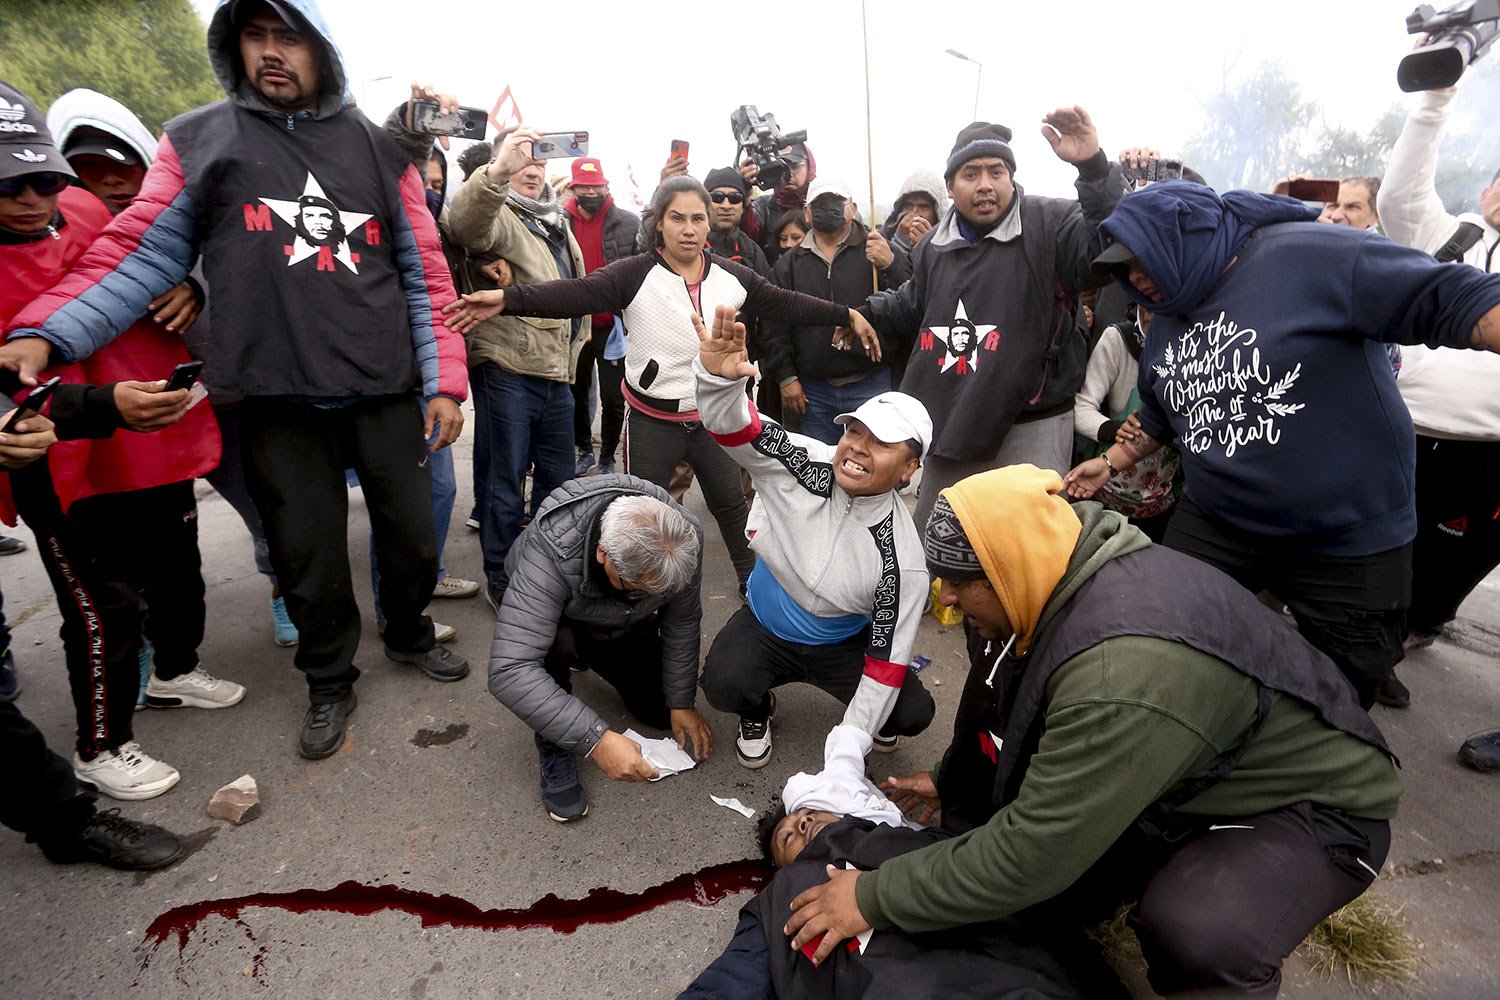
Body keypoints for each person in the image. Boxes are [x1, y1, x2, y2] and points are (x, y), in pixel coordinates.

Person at [0, 1, 472, 762]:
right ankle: (328, 679)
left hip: (384, 389)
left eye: (288, 35)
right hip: (274, 396)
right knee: (307, 559)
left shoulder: (382, 151)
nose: (271, 52)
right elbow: (139, 254)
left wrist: (444, 382)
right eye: (256, 36)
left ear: (321, 48)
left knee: (415, 539)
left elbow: (425, 275)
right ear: (234, 46)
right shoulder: (197, 139)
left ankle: (411, 634)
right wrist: (43, 333)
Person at [784, 466, 1403, 997]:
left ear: (1008, 570)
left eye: (959, 582)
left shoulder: (1121, 672)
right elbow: (1001, 700)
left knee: (1193, 927)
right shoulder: (1049, 572)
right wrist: (953, 780)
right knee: (1042, 904)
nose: (944, 597)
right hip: (1190, 771)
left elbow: (1030, 857)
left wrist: (873, 897)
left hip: (1307, 809)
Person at [1065, 180, 1500, 712]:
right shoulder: (1167, 311)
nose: (1134, 279)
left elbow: (1452, 297)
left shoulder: (1311, 255)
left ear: (1185, 239)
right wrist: (1109, 462)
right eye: (1123, 271)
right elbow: (1164, 410)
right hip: (1216, 522)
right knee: (1163, 637)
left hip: (1344, 538)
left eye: (1141, 262)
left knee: (1343, 689)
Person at [444, 176, 884, 596]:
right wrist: (507, 299)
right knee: (641, 515)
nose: (688, 229)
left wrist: (845, 314)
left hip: (714, 421)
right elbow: (572, 293)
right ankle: (641, 595)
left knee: (732, 508)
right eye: (678, 218)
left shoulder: (733, 276)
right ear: (659, 222)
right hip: (652, 422)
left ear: (709, 223)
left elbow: (786, 302)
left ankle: (753, 588)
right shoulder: (633, 274)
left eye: (697, 218)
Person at [0, 80, 233, 799]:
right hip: (52, 455)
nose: (37, 198)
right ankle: (102, 745)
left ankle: (173, 671)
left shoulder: (80, 210)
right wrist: (104, 403)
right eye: (12, 186)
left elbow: (152, 248)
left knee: (176, 563)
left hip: (142, 433)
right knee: (103, 608)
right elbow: (12, 389)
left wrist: (193, 282)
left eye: (46, 177)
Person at [48, 85, 298, 649]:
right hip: (115, 417)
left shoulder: (198, 207)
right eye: (89, 168)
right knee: (129, 551)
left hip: (224, 399)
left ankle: (285, 594)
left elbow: (240, 259)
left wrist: (194, 286)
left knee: (269, 510)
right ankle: (137, 658)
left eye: (123, 164)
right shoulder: (54, 233)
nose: (112, 180)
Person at [853, 110, 1126, 533]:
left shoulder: (1050, 224)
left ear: (1011, 177)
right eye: (971, 173)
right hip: (954, 416)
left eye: (996, 171)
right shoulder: (933, 245)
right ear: (950, 185)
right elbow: (916, 304)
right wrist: (865, 312)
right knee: (937, 536)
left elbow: (1105, 246)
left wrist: (1092, 168)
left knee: (1025, 547)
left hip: (1032, 422)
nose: (985, 184)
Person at [693, 305, 935, 767]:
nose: (858, 446)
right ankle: (758, 708)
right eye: (855, 430)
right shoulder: (805, 460)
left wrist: (847, 753)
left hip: (843, 646)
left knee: (910, 711)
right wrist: (721, 383)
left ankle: (867, 724)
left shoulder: (904, 561)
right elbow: (739, 430)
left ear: (909, 470)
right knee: (723, 684)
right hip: (765, 625)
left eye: (882, 443)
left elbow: (885, 666)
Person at [0, 400, 185, 870]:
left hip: (84, 445)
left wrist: (109, 403)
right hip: (58, 472)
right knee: (101, 611)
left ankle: (61, 817)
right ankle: (98, 750)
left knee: (132, 595)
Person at [487, 475, 709, 822]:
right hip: (556, 613)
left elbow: (682, 621)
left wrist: (681, 700)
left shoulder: (682, 539)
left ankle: (593, 651)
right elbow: (510, 669)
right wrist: (596, 740)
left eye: (657, 593)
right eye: (637, 588)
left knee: (658, 709)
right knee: (553, 648)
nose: (649, 597)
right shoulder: (552, 549)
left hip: (620, 618)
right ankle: (555, 747)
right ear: (602, 551)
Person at [447, 126, 586, 609]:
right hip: (508, 368)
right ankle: (500, 576)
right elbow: (463, 225)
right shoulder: (497, 208)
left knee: (558, 485)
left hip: (556, 372)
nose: (532, 168)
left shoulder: (555, 218)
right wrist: (498, 171)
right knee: (504, 483)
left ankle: (543, 571)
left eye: (541, 160)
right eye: (521, 158)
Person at [762, 176, 911, 445]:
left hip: (872, 380)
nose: (827, 208)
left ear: (852, 209)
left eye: (836, 202)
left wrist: (891, 264)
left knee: (876, 464)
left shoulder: (877, 248)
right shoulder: (787, 266)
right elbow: (774, 328)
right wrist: (786, 377)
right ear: (807, 212)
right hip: (813, 389)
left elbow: (911, 299)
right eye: (820, 203)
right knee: (821, 470)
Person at [1070, 304, 1179, 541]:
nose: (1151, 314)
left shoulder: (1192, 347)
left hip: (1162, 501)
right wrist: (1115, 429)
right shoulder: (1119, 339)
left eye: (1161, 305)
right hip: (1106, 495)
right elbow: (1081, 407)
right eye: (1146, 304)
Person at [563, 157, 638, 478]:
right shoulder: (558, 221)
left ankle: (607, 454)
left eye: (596, 186)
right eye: (584, 186)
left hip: (612, 329)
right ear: (573, 187)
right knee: (575, 393)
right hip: (574, 326)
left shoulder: (628, 223)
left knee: (612, 395)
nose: (591, 191)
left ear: (606, 187)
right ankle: (583, 449)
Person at [878, 169, 948, 253]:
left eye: (923, 206)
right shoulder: (882, 238)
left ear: (936, 212)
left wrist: (927, 247)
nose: (915, 214)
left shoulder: (950, 243)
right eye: (909, 205)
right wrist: (900, 242)